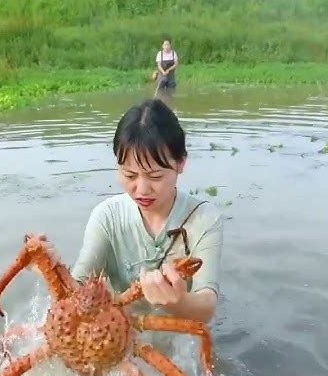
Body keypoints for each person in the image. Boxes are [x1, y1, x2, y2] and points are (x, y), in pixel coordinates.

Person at [71, 98, 223, 329]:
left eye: (155, 177)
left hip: (179, 336)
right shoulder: (107, 217)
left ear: (181, 163)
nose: (141, 190)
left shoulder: (204, 219)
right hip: (119, 332)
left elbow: (207, 305)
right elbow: (77, 288)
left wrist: (179, 302)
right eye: (130, 175)